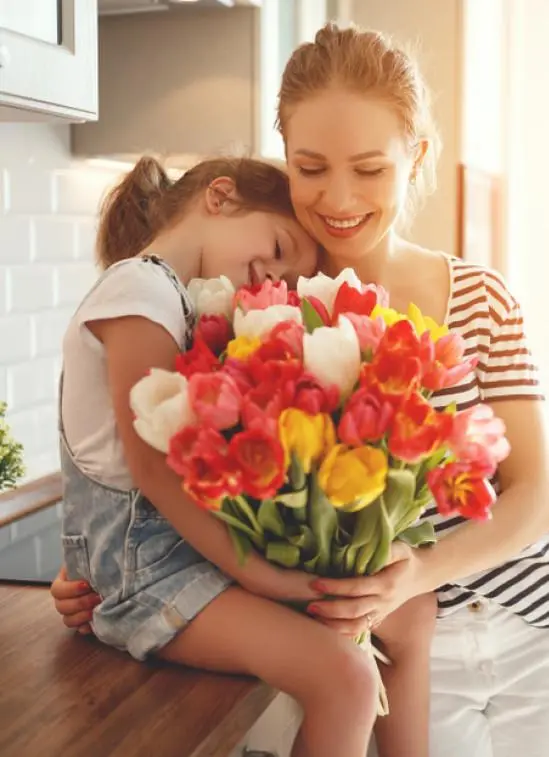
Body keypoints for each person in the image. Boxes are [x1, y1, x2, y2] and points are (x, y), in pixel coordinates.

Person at [51, 21, 549, 757]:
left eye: (370, 168)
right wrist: (92, 556)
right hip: (406, 653)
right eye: (310, 166)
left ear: (414, 157)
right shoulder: (244, 313)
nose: (338, 196)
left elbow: (534, 493)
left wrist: (415, 574)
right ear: (282, 158)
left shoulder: (479, 297)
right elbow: (169, 459)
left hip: (526, 629)